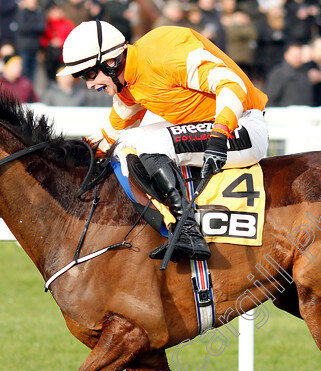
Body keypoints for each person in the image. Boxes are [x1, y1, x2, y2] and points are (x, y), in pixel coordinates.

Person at [58, 20, 269, 262]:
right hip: (212, 128)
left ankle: (187, 231)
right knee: (126, 145)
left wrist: (220, 133)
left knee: (152, 144)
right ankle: (169, 223)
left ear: (111, 62)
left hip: (242, 127)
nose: (88, 84)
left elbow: (233, 85)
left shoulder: (165, 54)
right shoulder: (128, 85)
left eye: (89, 74)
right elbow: (109, 137)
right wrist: (64, 158)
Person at [265, 41, 313, 106]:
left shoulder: (305, 72)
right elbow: (271, 98)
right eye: (294, 56)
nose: (297, 58)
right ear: (286, 55)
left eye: (299, 55)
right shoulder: (278, 73)